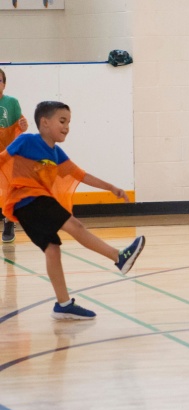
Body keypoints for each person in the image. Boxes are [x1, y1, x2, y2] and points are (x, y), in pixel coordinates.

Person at [0, 101, 146, 320]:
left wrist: (112, 187)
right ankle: (119, 257)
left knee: (53, 249)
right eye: (62, 121)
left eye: (69, 122)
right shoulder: (26, 141)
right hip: (27, 198)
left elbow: (81, 175)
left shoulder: (57, 153)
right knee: (74, 225)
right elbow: (2, 159)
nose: (67, 126)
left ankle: (63, 304)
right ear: (44, 122)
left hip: (30, 207)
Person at [0, 68, 29, 243]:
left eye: (0, 80)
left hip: (7, 154)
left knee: (9, 189)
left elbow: (20, 127)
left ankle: (9, 222)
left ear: (4, 84)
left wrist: (23, 127)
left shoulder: (12, 103)